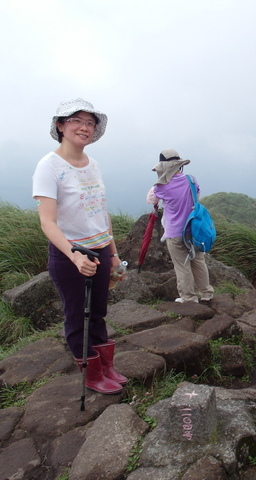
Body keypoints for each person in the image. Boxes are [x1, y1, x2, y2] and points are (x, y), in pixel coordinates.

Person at [32, 98, 127, 395]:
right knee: (78, 316)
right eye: (77, 121)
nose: (84, 128)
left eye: (90, 123)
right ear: (60, 126)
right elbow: (48, 222)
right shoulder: (49, 166)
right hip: (70, 254)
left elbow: (101, 212)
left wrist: (113, 254)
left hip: (99, 250)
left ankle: (106, 367)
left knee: (97, 313)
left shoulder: (93, 165)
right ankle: (92, 374)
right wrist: (73, 255)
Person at [146, 148, 214, 304]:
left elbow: (151, 200)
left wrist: (159, 180)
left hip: (175, 232)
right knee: (198, 261)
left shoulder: (161, 187)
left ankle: (189, 298)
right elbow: (197, 195)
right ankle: (206, 293)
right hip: (194, 228)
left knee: (182, 265)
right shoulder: (191, 180)